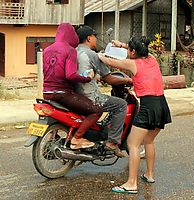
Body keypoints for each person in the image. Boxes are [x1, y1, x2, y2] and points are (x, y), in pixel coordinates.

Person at [98, 36, 172, 194]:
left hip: (148, 107)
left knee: (133, 144)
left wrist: (97, 55)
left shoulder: (132, 63)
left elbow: (111, 62)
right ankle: (150, 175)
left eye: (129, 49)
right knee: (149, 141)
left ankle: (131, 183)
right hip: (162, 104)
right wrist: (122, 45)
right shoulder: (151, 58)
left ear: (133, 52)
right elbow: (139, 49)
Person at [43, 23, 103, 149]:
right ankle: (77, 139)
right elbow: (70, 75)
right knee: (96, 110)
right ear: (70, 34)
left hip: (47, 93)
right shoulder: (70, 50)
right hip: (63, 94)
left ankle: (53, 136)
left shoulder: (47, 50)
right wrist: (87, 78)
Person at [75, 25, 132, 157]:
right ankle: (112, 142)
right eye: (95, 37)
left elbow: (83, 70)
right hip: (90, 97)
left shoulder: (74, 51)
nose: (96, 40)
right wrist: (128, 81)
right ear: (89, 38)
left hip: (75, 95)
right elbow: (110, 80)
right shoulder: (93, 55)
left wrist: (96, 76)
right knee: (121, 105)